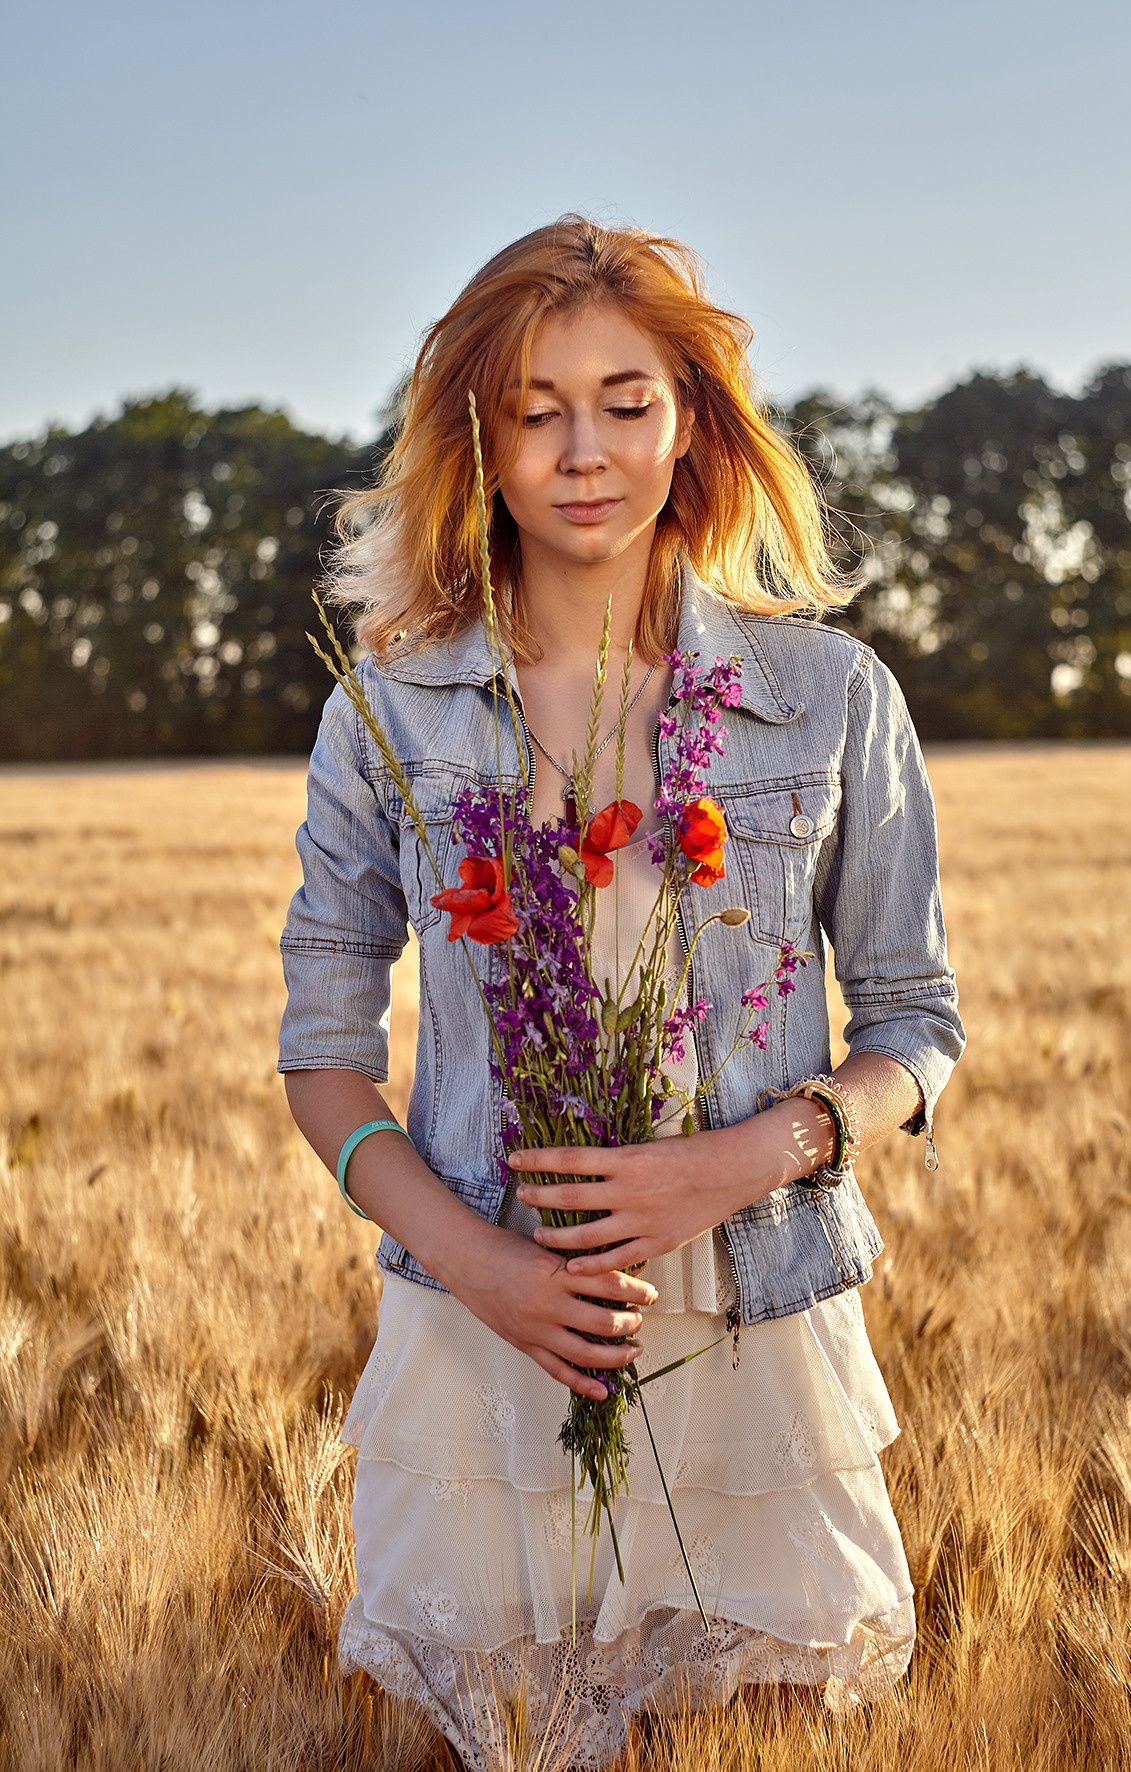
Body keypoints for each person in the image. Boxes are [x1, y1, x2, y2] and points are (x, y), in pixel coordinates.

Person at [278, 216, 965, 1769]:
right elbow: (324, 1066)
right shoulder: (386, 710)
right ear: (477, 440)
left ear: (692, 422)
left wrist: (740, 1160)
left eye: (625, 400)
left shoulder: (829, 695)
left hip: (753, 1340)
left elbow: (915, 1027)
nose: (583, 451)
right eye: (533, 409)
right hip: (484, 1346)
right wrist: (485, 1273)